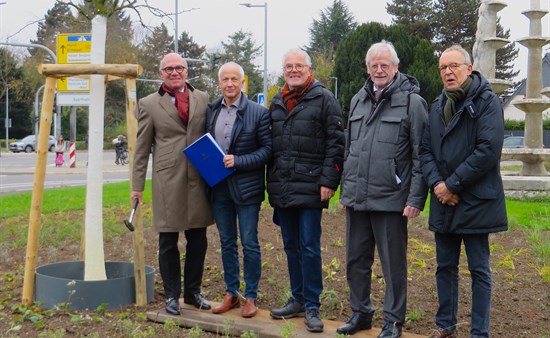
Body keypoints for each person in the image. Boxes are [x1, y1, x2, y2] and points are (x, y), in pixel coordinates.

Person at [338, 41, 429, 338]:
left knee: (393, 265)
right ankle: (361, 313)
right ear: (367, 68)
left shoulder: (413, 103)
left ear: (396, 67)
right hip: (357, 198)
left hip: (391, 199)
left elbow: (420, 154)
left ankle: (393, 321)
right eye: (374, 65)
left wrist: (415, 197)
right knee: (355, 261)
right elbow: (350, 149)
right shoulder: (357, 100)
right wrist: (346, 190)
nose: (379, 70)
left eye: (384, 65)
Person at [419, 45, 507, 338]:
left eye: (454, 66)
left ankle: (478, 333)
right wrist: (437, 185)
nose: (447, 72)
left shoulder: (487, 102)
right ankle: (446, 327)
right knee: (445, 267)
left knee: (479, 271)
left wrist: (451, 185)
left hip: (475, 201)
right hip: (445, 201)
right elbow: (425, 151)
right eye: (443, 68)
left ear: (469, 68)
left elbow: (488, 150)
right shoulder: (436, 106)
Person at [267, 48, 345, 333]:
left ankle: (312, 305)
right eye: (289, 66)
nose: (294, 70)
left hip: (312, 186)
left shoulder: (324, 98)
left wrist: (329, 181)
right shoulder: (277, 101)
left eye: (299, 65)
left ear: (309, 69)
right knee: (290, 246)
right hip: (283, 187)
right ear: (284, 70)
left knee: (310, 247)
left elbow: (336, 144)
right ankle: (297, 298)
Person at [131, 52, 213, 316]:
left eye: (179, 68)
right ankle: (171, 296)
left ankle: (193, 292)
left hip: (199, 178)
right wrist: (137, 186)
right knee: (168, 240)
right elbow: (142, 149)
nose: (174, 72)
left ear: (187, 71)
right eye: (169, 69)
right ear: (161, 73)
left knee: (198, 239)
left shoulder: (202, 98)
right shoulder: (149, 104)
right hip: (168, 179)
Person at [206, 62, 272, 318]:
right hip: (219, 187)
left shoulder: (258, 112)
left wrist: (239, 161)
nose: (230, 83)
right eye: (225, 79)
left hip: (247, 189)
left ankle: (251, 296)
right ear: (219, 83)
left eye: (235, 79)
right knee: (226, 242)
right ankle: (232, 292)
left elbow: (267, 151)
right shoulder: (211, 110)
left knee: (250, 242)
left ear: (242, 83)